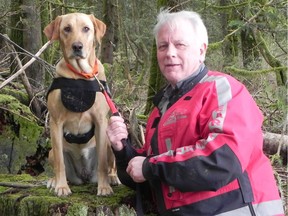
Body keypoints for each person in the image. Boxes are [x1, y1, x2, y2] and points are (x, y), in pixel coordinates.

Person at [106, 9, 284, 216]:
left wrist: (149, 167)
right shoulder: (161, 110)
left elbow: (222, 161)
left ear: (201, 50)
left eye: (180, 44)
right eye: (163, 46)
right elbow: (152, 181)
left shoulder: (224, 90)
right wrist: (122, 150)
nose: (170, 53)